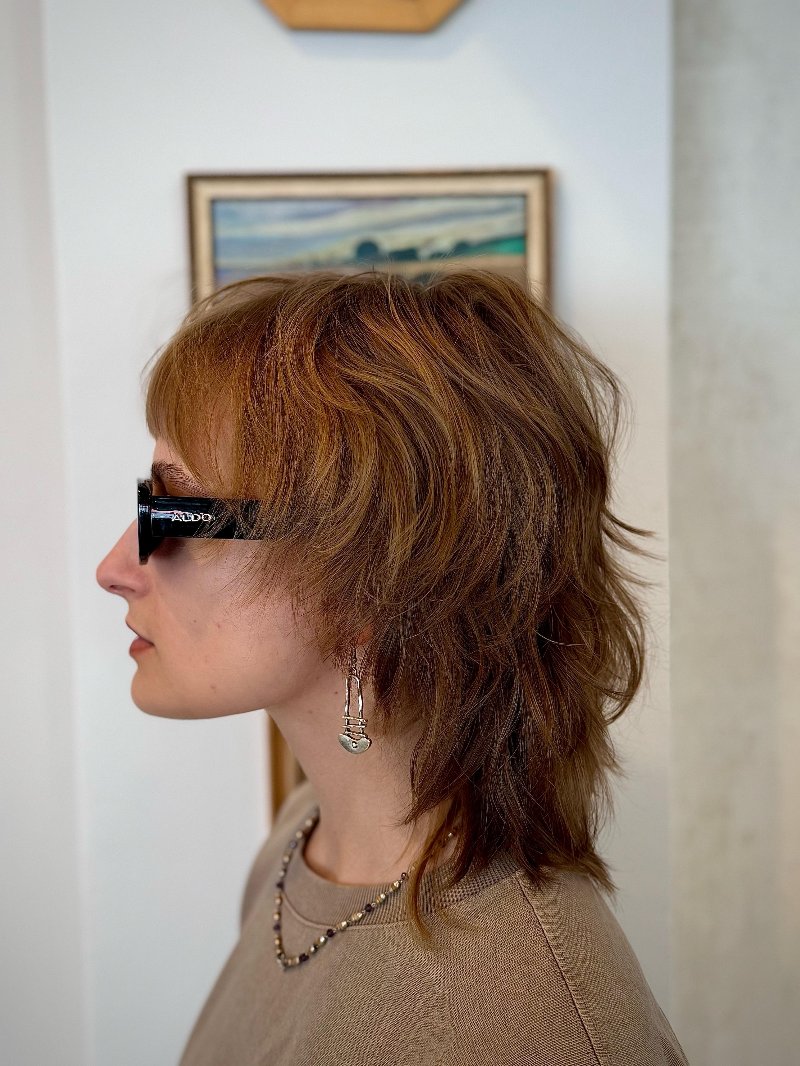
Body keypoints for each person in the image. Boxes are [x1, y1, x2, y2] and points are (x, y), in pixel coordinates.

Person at [96, 270, 689, 1065]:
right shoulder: (300, 842)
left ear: (373, 577)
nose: (115, 567)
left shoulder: (523, 1027)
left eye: (173, 511)